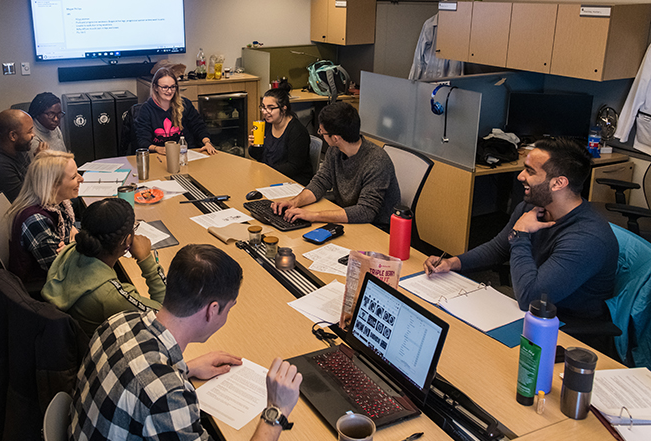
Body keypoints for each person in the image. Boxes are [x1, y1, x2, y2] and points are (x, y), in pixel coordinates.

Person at [70, 244, 302, 441]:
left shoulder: (118, 321)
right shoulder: (168, 397)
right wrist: (276, 410)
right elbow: (157, 393)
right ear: (212, 310)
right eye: (229, 308)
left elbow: (135, 376)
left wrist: (186, 368)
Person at [423, 138, 619, 326]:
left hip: (565, 328)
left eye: (530, 171)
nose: (520, 176)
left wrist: (521, 235)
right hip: (526, 307)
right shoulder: (534, 208)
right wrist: (453, 262)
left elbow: (530, 299)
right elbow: (499, 248)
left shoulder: (587, 239)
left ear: (559, 183)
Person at [42, 197, 166, 337]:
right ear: (127, 240)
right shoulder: (110, 296)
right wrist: (146, 260)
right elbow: (167, 316)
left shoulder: (71, 251)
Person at [271, 102, 400, 228]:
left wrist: (313, 215)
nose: (320, 133)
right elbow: (320, 182)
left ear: (336, 138)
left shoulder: (377, 161)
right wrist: (294, 203)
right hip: (348, 217)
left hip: (376, 228)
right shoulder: (335, 150)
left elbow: (365, 212)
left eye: (322, 131)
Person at [7, 150, 82, 284]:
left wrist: (71, 245)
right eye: (73, 177)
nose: (81, 179)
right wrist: (74, 248)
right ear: (53, 185)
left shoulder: (59, 204)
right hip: (49, 285)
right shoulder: (36, 220)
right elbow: (61, 271)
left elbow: (73, 234)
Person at [134, 66, 218, 155]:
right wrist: (157, 149)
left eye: (172, 87)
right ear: (155, 87)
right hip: (159, 155)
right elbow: (142, 141)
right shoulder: (146, 110)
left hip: (186, 153)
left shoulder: (185, 104)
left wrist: (207, 143)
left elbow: (199, 126)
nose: (169, 91)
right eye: (165, 87)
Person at [248, 88, 313, 186]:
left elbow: (294, 167)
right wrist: (255, 146)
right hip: (270, 177)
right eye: (263, 107)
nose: (265, 112)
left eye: (271, 108)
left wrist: (267, 171)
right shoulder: (266, 124)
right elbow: (259, 157)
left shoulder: (297, 131)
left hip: (293, 181)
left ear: (283, 108)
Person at [0, 109, 34, 202]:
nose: (33, 135)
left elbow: (30, 177)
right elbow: (25, 202)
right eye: (29, 132)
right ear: (13, 136)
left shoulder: (17, 147)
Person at [28, 92, 67, 157]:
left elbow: (65, 155)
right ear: (38, 114)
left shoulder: (53, 127)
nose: (56, 119)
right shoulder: (32, 137)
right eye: (51, 114)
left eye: (59, 114)